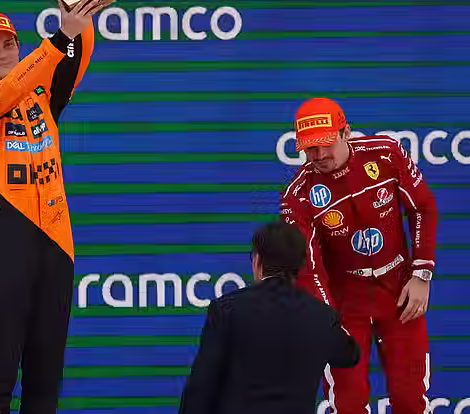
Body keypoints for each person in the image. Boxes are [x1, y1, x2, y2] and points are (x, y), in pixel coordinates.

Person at [0, 0, 103, 414]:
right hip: (7, 243)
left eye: (8, 44)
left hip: (57, 244)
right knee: (0, 371)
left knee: (46, 376)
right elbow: (9, 90)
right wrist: (59, 37)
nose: (1, 53)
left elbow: (79, 51)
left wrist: (76, 8)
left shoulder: (45, 94)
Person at [280, 97, 438, 414]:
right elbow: (308, 269)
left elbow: (422, 207)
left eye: (326, 144)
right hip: (344, 301)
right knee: (348, 404)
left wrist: (421, 274)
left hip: (399, 289)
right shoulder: (297, 195)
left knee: (410, 400)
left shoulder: (386, 153)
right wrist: (327, 320)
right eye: (310, 148)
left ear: (345, 132)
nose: (320, 155)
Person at [178, 221, 360, 414]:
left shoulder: (226, 310)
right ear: (300, 265)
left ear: (257, 260)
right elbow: (350, 355)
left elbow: (201, 387)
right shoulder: (322, 316)